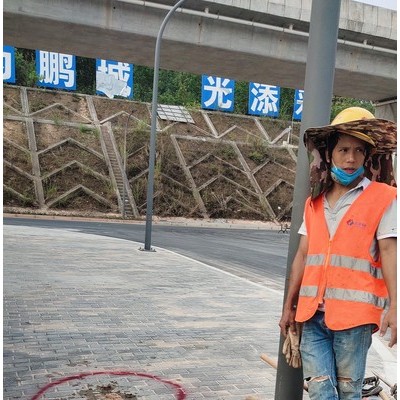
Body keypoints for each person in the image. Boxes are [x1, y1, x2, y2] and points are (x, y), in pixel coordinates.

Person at [278, 107, 397, 400]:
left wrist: (395, 305)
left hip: (353, 320)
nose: (350, 158)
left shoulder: (384, 198)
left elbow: (389, 251)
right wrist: (288, 306)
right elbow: (303, 256)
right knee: (320, 389)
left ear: (368, 156)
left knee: (347, 391)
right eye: (343, 149)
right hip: (311, 315)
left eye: (359, 150)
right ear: (329, 153)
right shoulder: (314, 202)